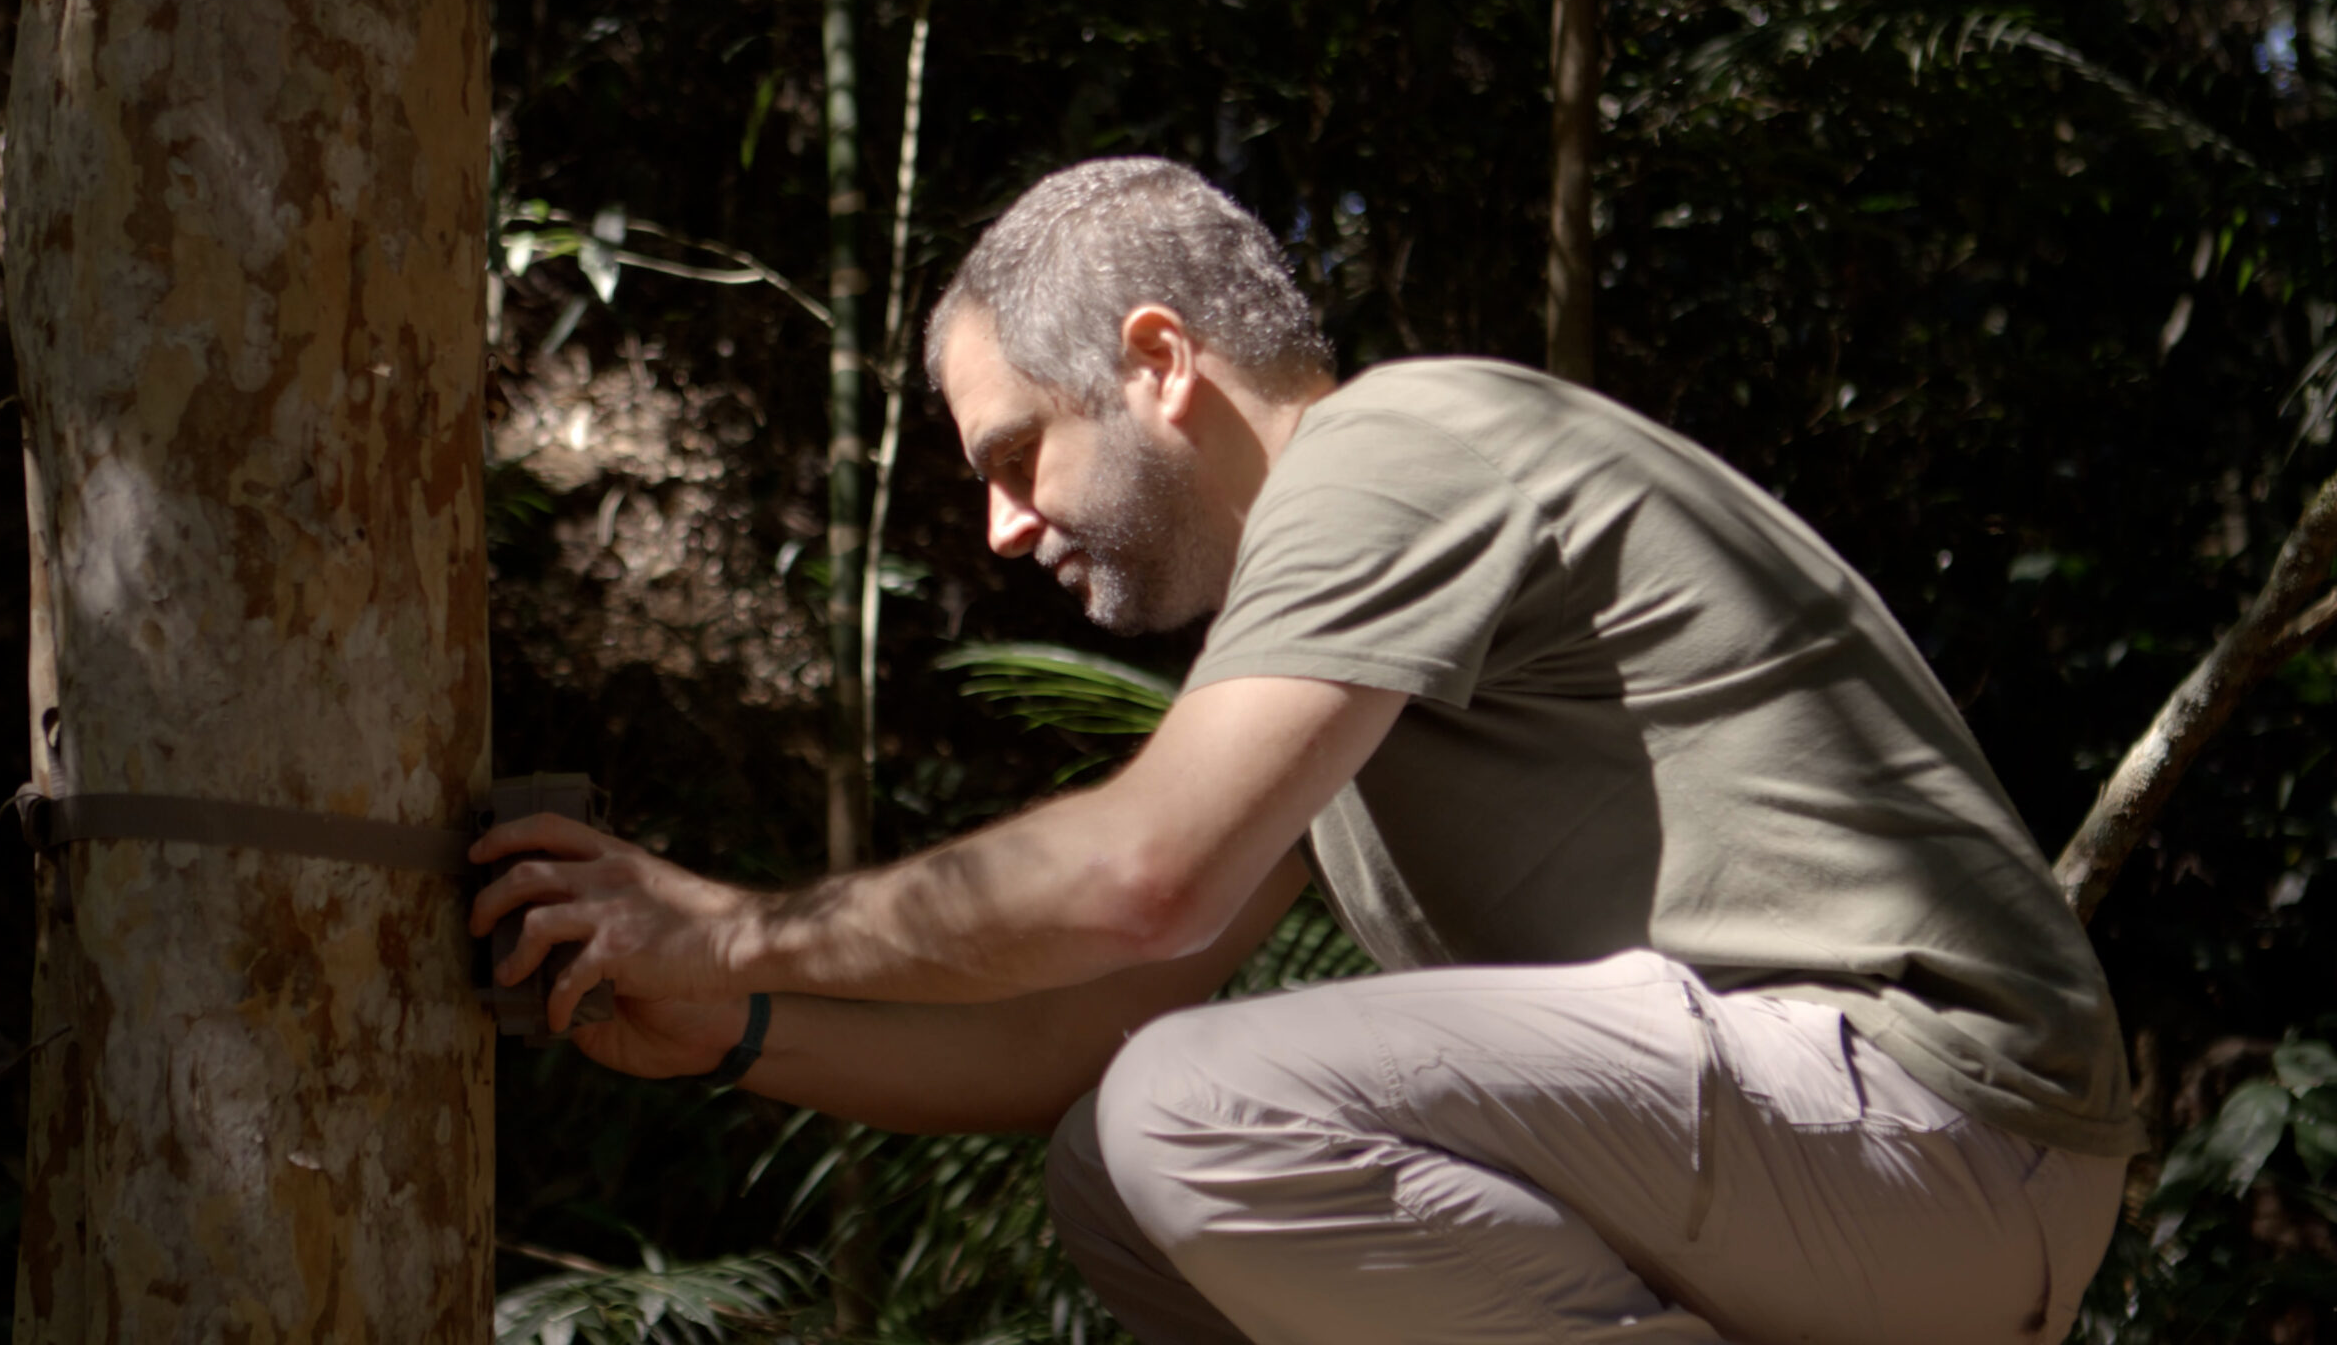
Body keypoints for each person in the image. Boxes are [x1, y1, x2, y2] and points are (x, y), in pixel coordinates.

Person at [469, 157, 2143, 1345]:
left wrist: (726, 922)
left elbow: (1136, 880)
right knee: (1121, 1191)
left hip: (1938, 1124)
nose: (996, 524)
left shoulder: (1398, 445)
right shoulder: (1331, 662)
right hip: (1872, 1187)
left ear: (1154, 362)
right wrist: (731, 1026)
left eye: (1013, 450)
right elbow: (1068, 1035)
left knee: (1190, 1110)